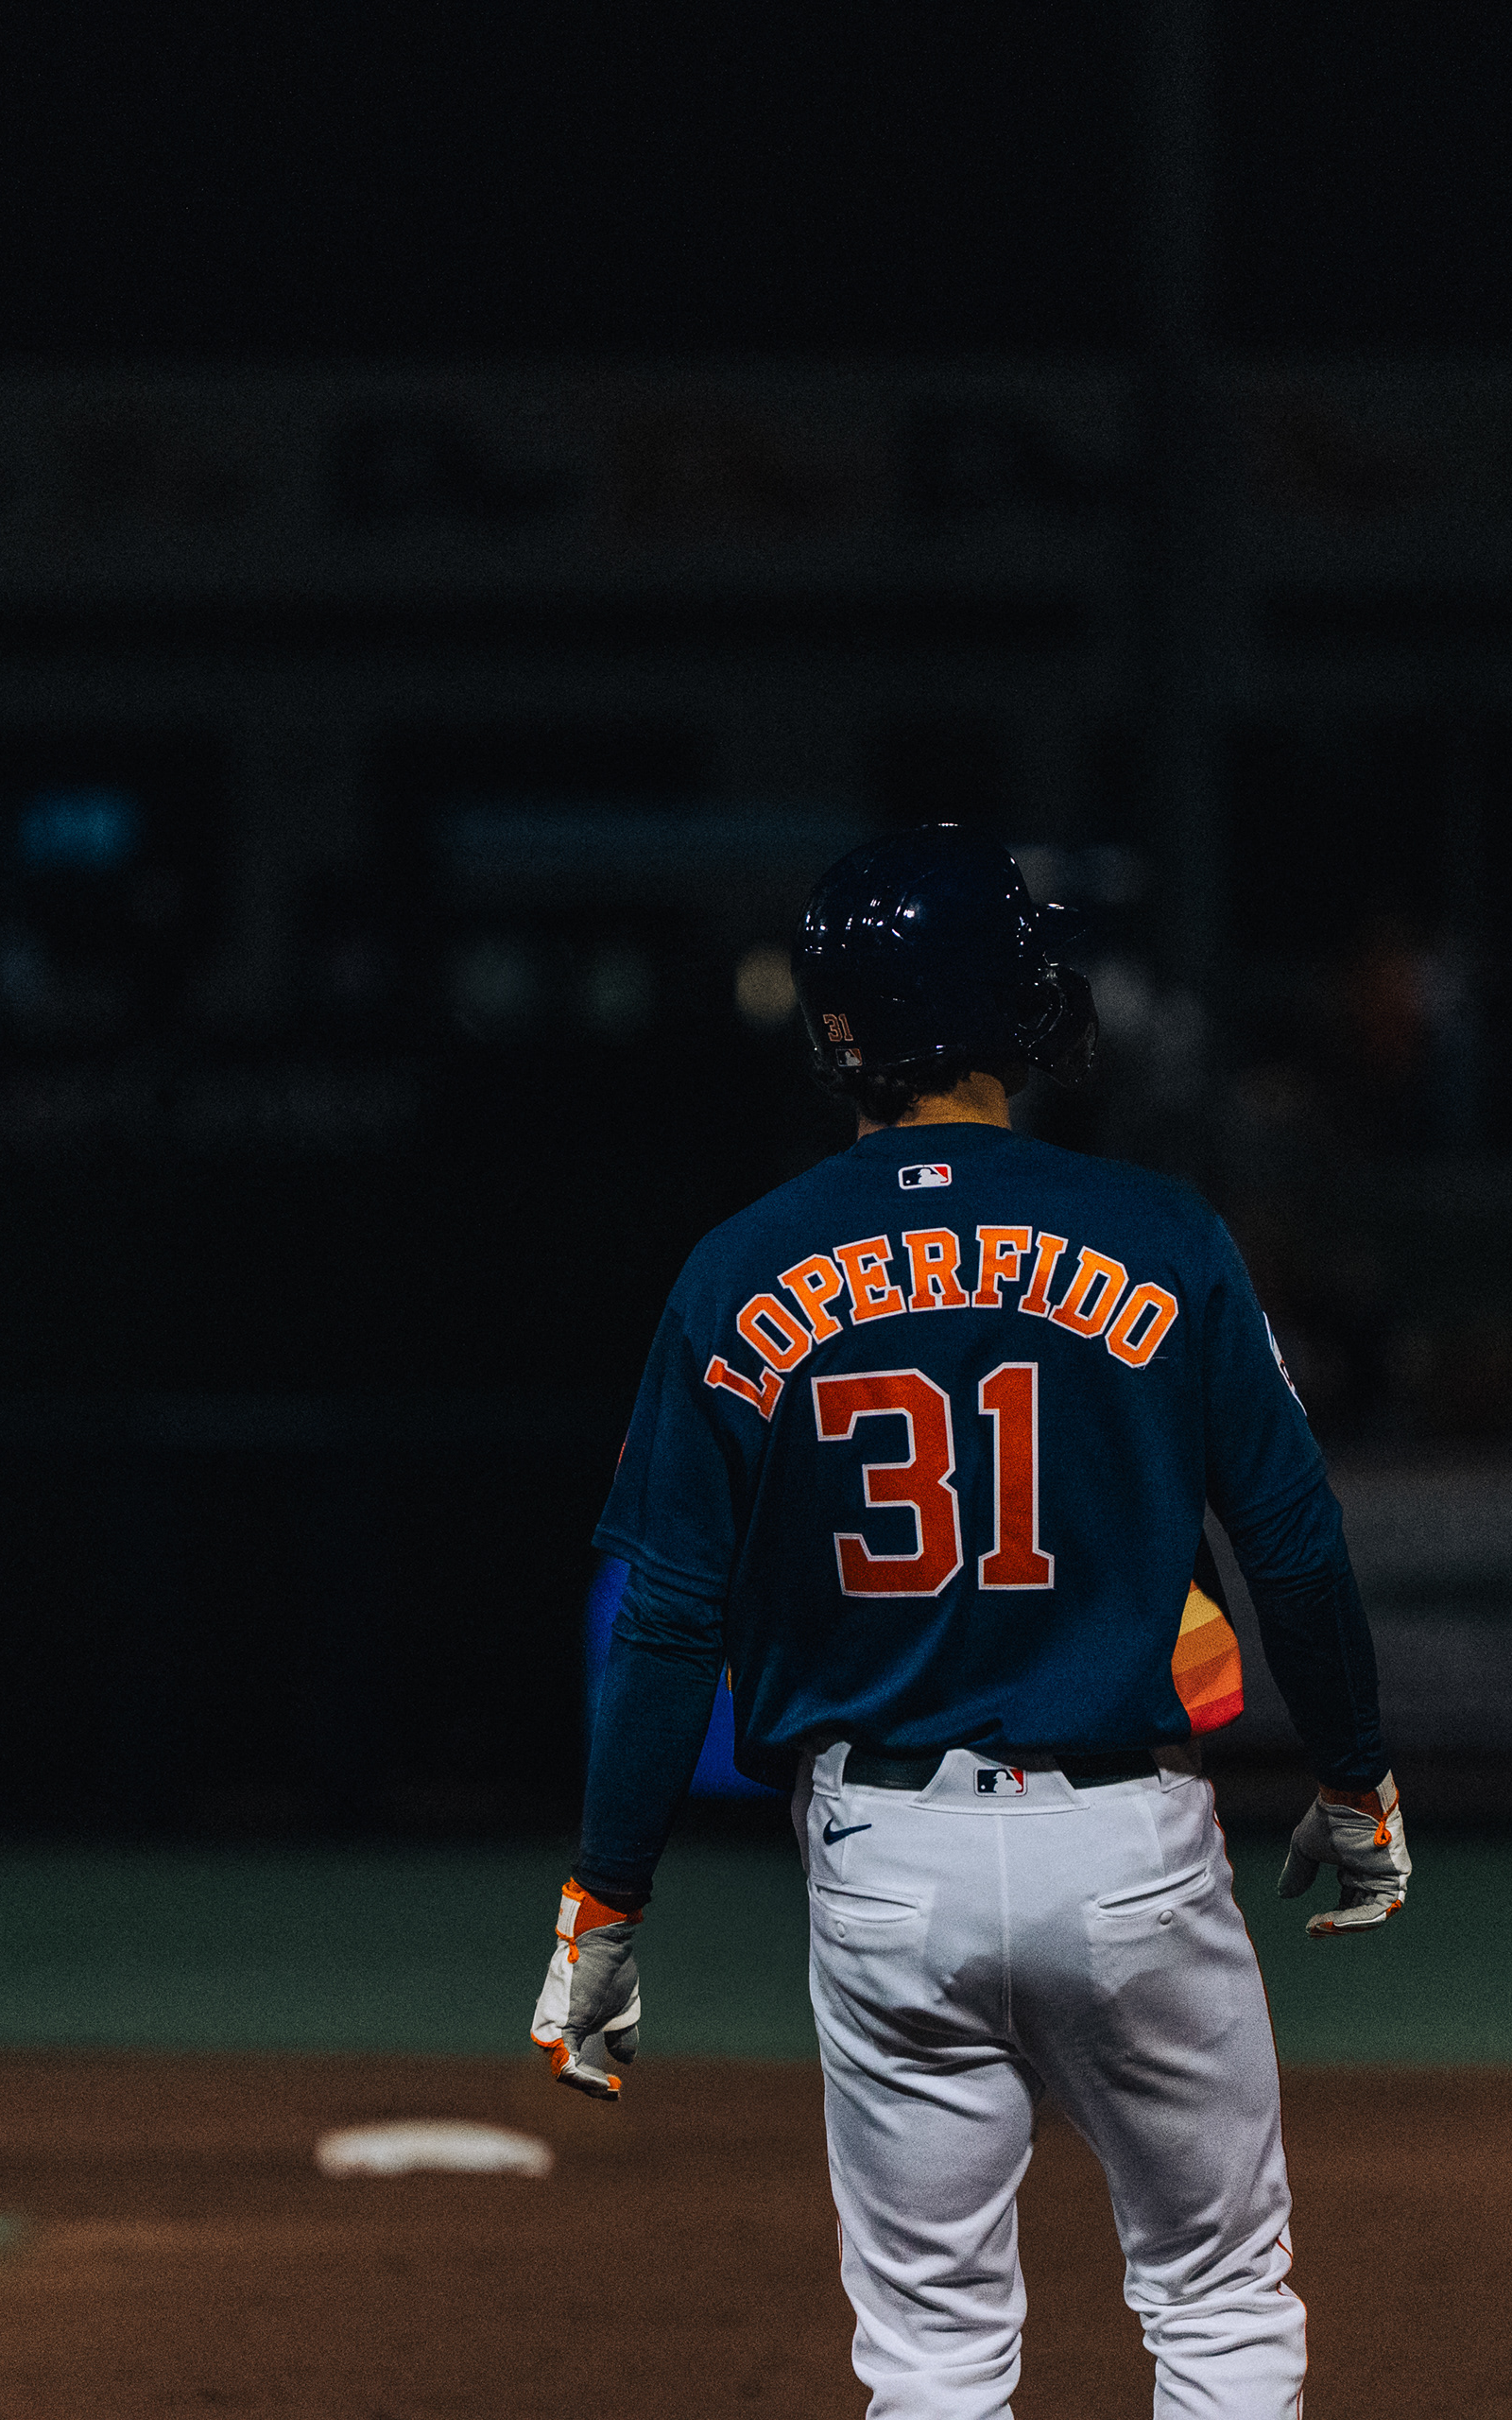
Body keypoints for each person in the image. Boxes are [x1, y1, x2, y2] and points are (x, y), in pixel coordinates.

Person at [529, 826, 1408, 2420]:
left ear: (835, 1031)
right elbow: (1290, 1542)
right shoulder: (1161, 1235)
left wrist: (608, 1898)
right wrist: (1355, 1777)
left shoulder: (739, 1272)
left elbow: (667, 1623)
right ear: (1028, 1009)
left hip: (882, 1861)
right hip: (1128, 1844)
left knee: (933, 2355)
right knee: (1215, 2302)